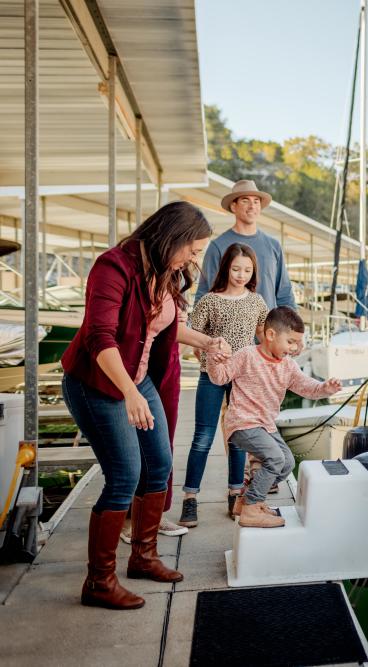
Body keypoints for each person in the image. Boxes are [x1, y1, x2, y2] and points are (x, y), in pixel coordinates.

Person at [61, 201, 232, 610]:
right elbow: (99, 338)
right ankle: (99, 583)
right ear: (169, 237)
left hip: (138, 380)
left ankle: (143, 557)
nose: (193, 259)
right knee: (125, 474)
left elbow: (166, 329)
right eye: (191, 250)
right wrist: (130, 393)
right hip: (97, 383)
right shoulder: (113, 267)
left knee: (159, 464)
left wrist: (207, 342)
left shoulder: (165, 273)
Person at [207, 307, 341, 528]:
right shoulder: (247, 355)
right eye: (290, 342)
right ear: (270, 335)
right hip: (242, 422)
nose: (296, 348)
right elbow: (220, 377)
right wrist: (213, 359)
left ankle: (244, 501)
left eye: (298, 343)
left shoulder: (287, 365)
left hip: (265, 426)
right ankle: (251, 509)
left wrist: (325, 388)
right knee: (275, 459)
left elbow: (306, 387)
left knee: (286, 463)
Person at [178, 244, 268, 527]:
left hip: (243, 379)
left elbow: (265, 335)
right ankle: (190, 499)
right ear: (226, 268)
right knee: (202, 437)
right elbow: (194, 338)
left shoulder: (256, 302)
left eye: (247, 270)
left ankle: (235, 494)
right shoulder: (209, 300)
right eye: (236, 268)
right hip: (210, 376)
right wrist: (209, 354)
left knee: (239, 437)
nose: (241, 275)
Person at [195, 179, 295, 311]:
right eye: (245, 200)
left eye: (256, 201)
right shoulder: (218, 246)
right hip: (229, 329)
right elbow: (205, 293)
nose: (252, 206)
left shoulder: (273, 245)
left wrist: (293, 325)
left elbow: (284, 292)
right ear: (233, 206)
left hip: (267, 329)